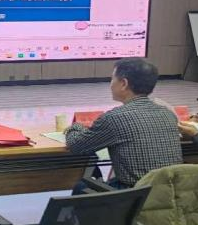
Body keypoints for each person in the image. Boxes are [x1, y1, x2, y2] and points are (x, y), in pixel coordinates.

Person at [66, 58, 183, 192]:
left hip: (134, 194)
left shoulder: (114, 118)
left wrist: (75, 127)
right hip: (170, 193)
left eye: (112, 79)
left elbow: (76, 146)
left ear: (123, 84)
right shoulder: (168, 114)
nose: (110, 84)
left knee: (82, 187)